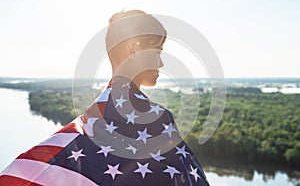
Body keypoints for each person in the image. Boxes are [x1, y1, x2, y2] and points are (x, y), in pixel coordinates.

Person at [0, 10, 210, 186]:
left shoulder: (89, 120)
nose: (161, 64)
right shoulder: (158, 119)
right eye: (158, 51)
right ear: (134, 49)